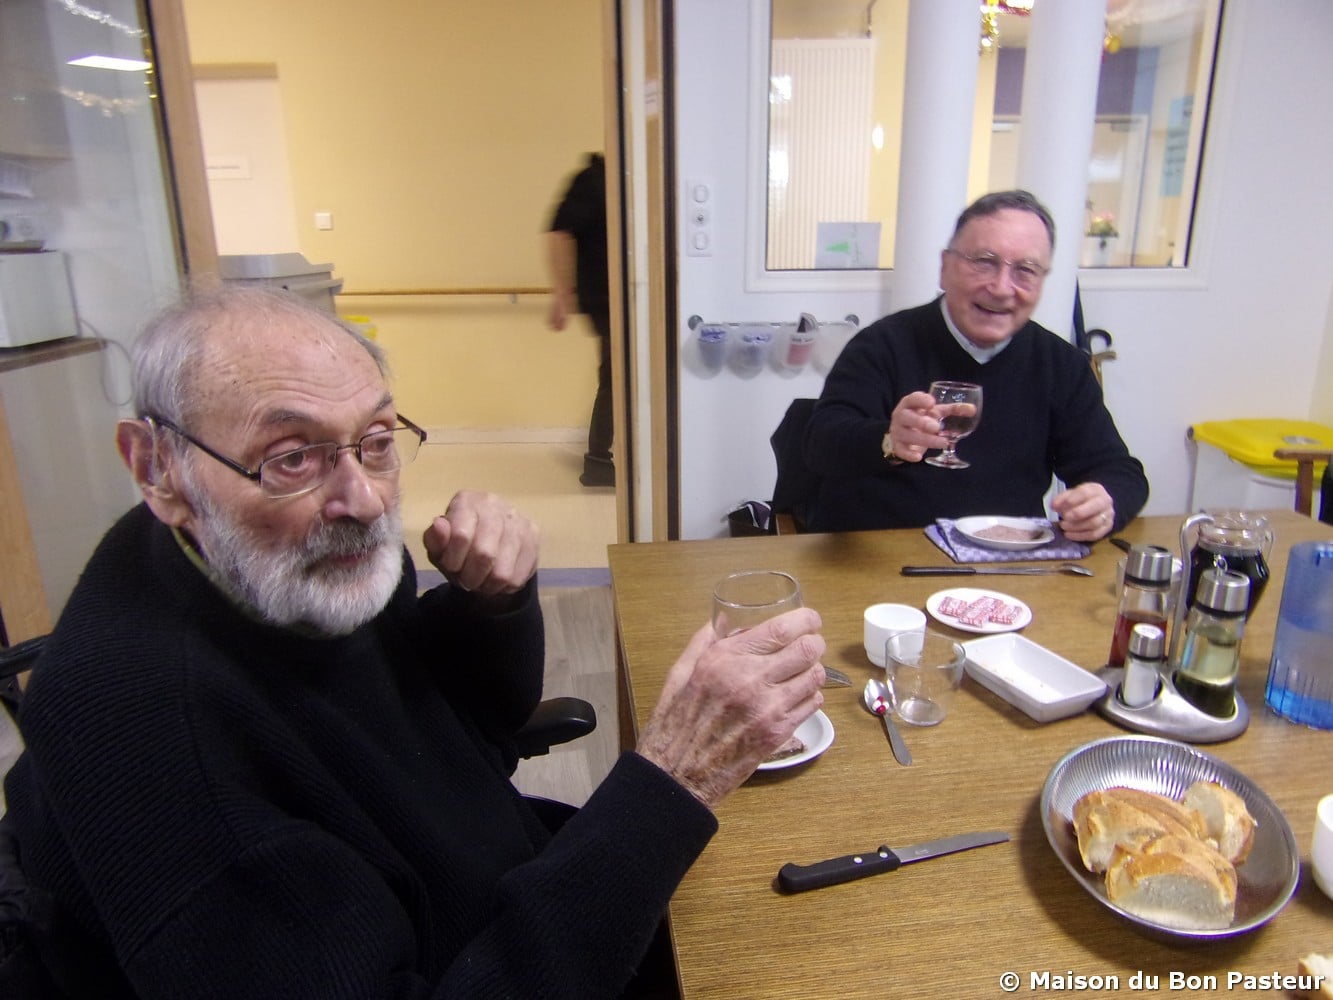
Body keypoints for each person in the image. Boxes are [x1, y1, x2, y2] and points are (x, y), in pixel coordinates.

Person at [2, 287, 826, 999]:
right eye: (291, 458)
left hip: (496, 884)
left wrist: (490, 605)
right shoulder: (153, 739)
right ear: (157, 468)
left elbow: (475, 728)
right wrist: (673, 778)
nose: (363, 498)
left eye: (376, 439)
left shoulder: (265, 556)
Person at [802, 189, 1148, 539]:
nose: (1001, 288)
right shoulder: (882, 345)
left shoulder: (1062, 365)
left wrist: (1104, 503)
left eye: (1025, 270)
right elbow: (820, 445)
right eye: (984, 261)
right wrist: (889, 440)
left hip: (1007, 558)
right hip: (884, 556)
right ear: (945, 268)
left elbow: (1120, 472)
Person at [546, 152, 615, 488]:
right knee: (617, 378)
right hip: (607, 300)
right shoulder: (594, 179)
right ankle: (599, 461)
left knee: (618, 378)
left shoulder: (623, 180)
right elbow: (558, 232)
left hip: (619, 298)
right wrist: (563, 293)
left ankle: (603, 459)